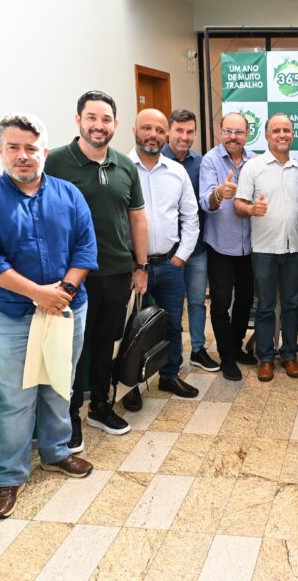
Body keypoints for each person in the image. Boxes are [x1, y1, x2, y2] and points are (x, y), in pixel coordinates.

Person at [0, 112, 96, 518]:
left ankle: (56, 452)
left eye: (31, 148)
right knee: (15, 398)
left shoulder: (69, 194)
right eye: (14, 147)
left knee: (59, 384)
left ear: (45, 152)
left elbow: (85, 248)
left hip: (66, 309)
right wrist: (40, 294)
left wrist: (63, 293)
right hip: (8, 314)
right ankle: (10, 476)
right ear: (1, 151)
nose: (23, 156)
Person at [44, 91, 148, 447]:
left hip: (118, 272)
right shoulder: (56, 162)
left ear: (116, 125)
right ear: (78, 120)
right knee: (74, 348)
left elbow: (136, 218)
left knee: (105, 343)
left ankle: (100, 405)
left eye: (106, 120)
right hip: (73, 277)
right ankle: (69, 415)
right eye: (92, 118)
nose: (99, 126)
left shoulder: (124, 165)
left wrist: (141, 265)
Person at [121, 109, 200, 412]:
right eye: (146, 128)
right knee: (129, 328)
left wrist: (180, 257)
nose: (152, 134)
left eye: (159, 129)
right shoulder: (121, 168)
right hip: (130, 268)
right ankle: (128, 385)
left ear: (166, 134)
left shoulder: (176, 172)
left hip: (169, 265)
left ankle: (169, 375)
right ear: (134, 130)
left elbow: (191, 217)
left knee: (171, 324)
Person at [234, 114, 298, 382]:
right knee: (264, 306)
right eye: (276, 130)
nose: (282, 134)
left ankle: (289, 355)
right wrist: (252, 208)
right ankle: (265, 358)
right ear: (266, 135)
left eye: (287, 130)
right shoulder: (254, 166)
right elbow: (239, 204)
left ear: (292, 134)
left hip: (295, 247)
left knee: (291, 304)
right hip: (263, 248)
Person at [199, 112, 258, 381]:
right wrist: (219, 194)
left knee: (245, 299)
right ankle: (226, 357)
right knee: (221, 303)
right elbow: (205, 202)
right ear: (219, 132)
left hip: (250, 246)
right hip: (221, 245)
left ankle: (235, 345)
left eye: (238, 132)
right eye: (228, 131)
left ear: (247, 134)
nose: (232, 137)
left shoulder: (256, 160)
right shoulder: (210, 160)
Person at [163, 108, 219, 373]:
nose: (185, 137)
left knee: (197, 302)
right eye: (179, 131)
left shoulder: (201, 162)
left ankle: (198, 349)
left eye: (190, 132)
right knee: (167, 310)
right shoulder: (155, 159)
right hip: (163, 254)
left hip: (196, 250)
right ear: (168, 131)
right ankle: (163, 357)